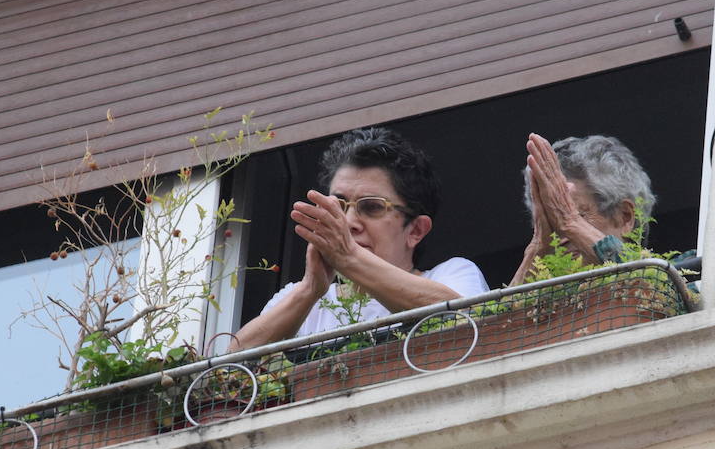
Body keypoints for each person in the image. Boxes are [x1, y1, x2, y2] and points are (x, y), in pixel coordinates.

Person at [232, 127, 489, 350]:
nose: (349, 222)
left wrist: (348, 256)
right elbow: (227, 369)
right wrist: (310, 290)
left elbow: (467, 320)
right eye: (339, 206)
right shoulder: (302, 297)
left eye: (372, 207)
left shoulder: (452, 274)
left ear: (415, 231)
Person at [509, 133, 655, 286]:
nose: (561, 233)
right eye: (553, 222)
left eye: (578, 215)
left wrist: (570, 222)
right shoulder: (545, 304)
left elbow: (652, 287)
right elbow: (497, 310)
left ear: (625, 217)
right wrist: (537, 248)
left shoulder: (675, 274)